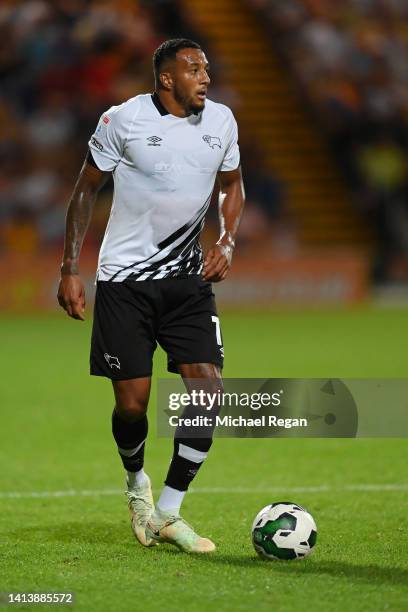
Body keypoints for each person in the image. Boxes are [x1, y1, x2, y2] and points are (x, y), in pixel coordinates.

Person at [57, 38, 245, 553]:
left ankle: (168, 511)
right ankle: (136, 483)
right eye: (193, 68)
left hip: (188, 284)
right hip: (125, 283)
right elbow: (84, 189)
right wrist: (71, 266)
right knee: (132, 405)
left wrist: (226, 240)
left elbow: (232, 185)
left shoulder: (222, 122)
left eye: (206, 66)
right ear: (166, 79)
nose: (205, 75)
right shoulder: (123, 120)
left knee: (207, 391)